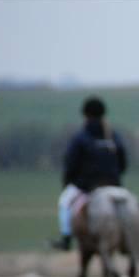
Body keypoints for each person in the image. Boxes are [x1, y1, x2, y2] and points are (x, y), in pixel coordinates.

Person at [51, 97, 127, 251]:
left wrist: (69, 181)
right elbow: (123, 161)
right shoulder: (113, 136)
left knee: (64, 202)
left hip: (87, 186)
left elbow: (70, 164)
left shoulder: (81, 137)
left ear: (85, 114)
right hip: (113, 183)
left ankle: (66, 239)